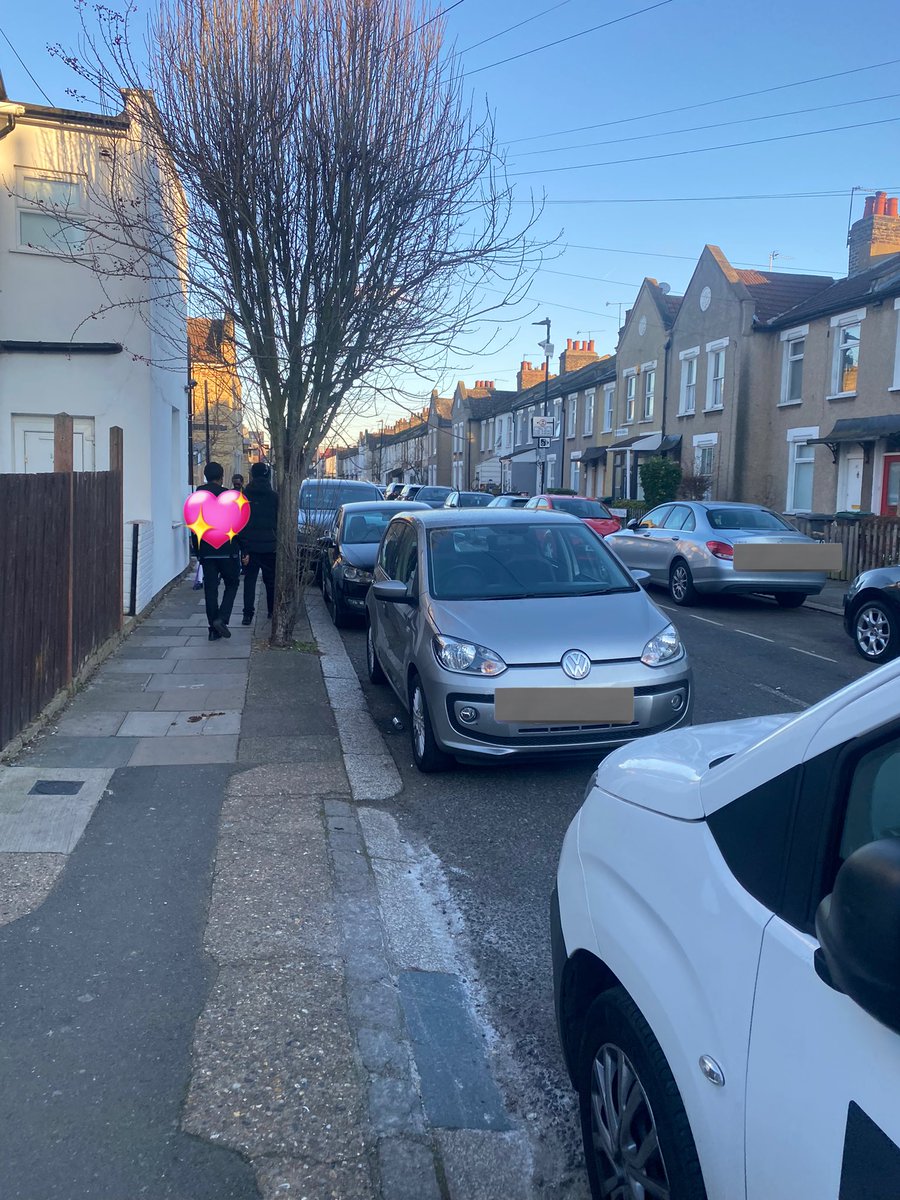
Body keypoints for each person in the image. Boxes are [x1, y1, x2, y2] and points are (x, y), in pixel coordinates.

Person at [191, 461, 241, 640]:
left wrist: (198, 551)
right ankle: (222, 618)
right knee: (232, 583)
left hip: (207, 550)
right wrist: (241, 548)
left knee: (210, 590)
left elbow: (194, 527)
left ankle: (213, 630)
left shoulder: (197, 497)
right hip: (228, 550)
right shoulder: (229, 497)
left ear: (205, 476)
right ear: (222, 478)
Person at [238, 461, 278, 625]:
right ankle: (271, 611)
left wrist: (244, 548)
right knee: (271, 581)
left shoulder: (244, 497)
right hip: (271, 545)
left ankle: (247, 615)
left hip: (250, 546)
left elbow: (240, 523)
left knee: (249, 581)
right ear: (267, 475)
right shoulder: (275, 496)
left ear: (252, 475)